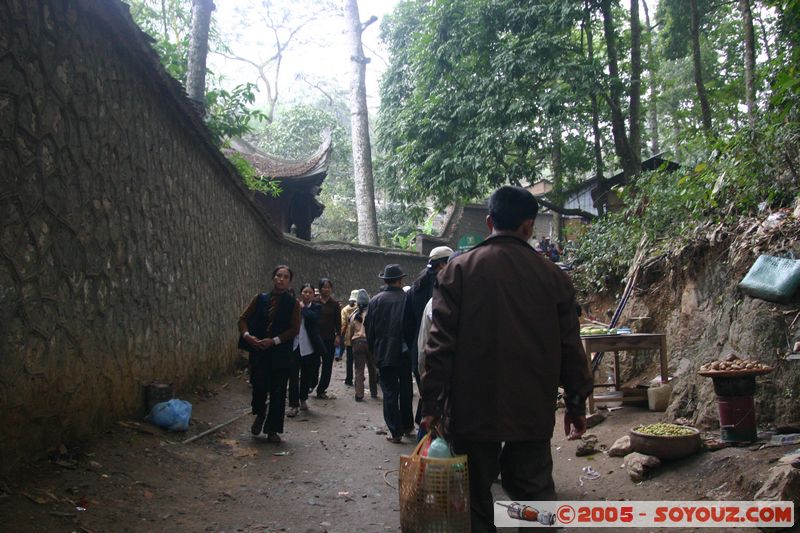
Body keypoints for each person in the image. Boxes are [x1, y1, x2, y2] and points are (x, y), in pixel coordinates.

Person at [421, 186, 594, 532]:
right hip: (530, 409)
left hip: (471, 410)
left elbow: (437, 347)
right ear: (529, 227)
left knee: (474, 500)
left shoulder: (457, 271)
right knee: (534, 494)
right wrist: (575, 403)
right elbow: (572, 348)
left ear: (489, 222)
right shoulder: (554, 278)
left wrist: (431, 406)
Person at [238, 265, 301, 443]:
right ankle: (260, 413)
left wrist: (274, 341)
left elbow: (294, 329)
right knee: (259, 388)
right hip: (259, 353)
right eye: (278, 276)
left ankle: (273, 429)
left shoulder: (293, 304)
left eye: (285, 277)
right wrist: (248, 336)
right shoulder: (259, 299)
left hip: (280, 354)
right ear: (273, 278)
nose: (281, 279)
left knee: (278, 391)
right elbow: (242, 319)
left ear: (289, 281)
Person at [404, 246, 453, 430]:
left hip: (419, 351)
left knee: (428, 396)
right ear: (443, 265)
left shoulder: (414, 289)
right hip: (441, 354)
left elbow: (406, 326)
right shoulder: (450, 288)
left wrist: (413, 349)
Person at [365, 264, 415, 444]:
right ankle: (408, 425)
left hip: (384, 352)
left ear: (385, 280)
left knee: (390, 392)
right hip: (405, 352)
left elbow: (369, 329)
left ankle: (395, 431)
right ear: (401, 280)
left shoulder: (375, 301)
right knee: (406, 389)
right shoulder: (408, 298)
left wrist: (373, 351)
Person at [287, 283, 324, 417]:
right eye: (304, 292)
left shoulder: (317, 307)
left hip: (309, 347)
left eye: (309, 292)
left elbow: (313, 318)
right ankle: (293, 404)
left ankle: (303, 399)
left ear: (313, 295)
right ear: (301, 294)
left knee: (306, 375)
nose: (307, 294)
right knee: (293, 376)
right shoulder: (293, 307)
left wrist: (302, 309)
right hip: (295, 346)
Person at [348, 289, 378, 402]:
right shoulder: (373, 313)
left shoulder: (353, 315)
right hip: (369, 342)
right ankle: (374, 392)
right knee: (372, 368)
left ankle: (359, 394)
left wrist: (352, 342)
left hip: (357, 343)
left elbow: (350, 331)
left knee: (359, 370)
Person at [315, 278, 341, 399]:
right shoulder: (315, 302)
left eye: (329, 287)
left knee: (327, 365)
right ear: (320, 289)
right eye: (324, 287)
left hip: (329, 338)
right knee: (314, 363)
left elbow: (338, 322)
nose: (326, 289)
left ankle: (321, 389)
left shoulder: (335, 304)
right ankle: (312, 383)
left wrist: (338, 336)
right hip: (315, 338)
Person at [340, 290, 360, 387]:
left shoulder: (345, 310)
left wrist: (341, 336)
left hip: (349, 338)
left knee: (349, 360)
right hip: (360, 337)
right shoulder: (363, 308)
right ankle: (359, 379)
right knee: (359, 361)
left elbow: (343, 324)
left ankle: (349, 379)